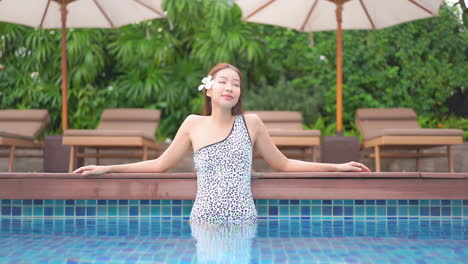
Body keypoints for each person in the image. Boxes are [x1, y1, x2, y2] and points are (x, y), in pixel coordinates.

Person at [73, 63, 370, 223]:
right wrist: (107, 167)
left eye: (236, 83)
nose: (230, 87)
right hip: (204, 219)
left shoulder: (251, 123)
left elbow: (284, 163)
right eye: (224, 81)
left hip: (243, 219)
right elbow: (159, 164)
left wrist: (336, 166)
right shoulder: (192, 124)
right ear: (209, 90)